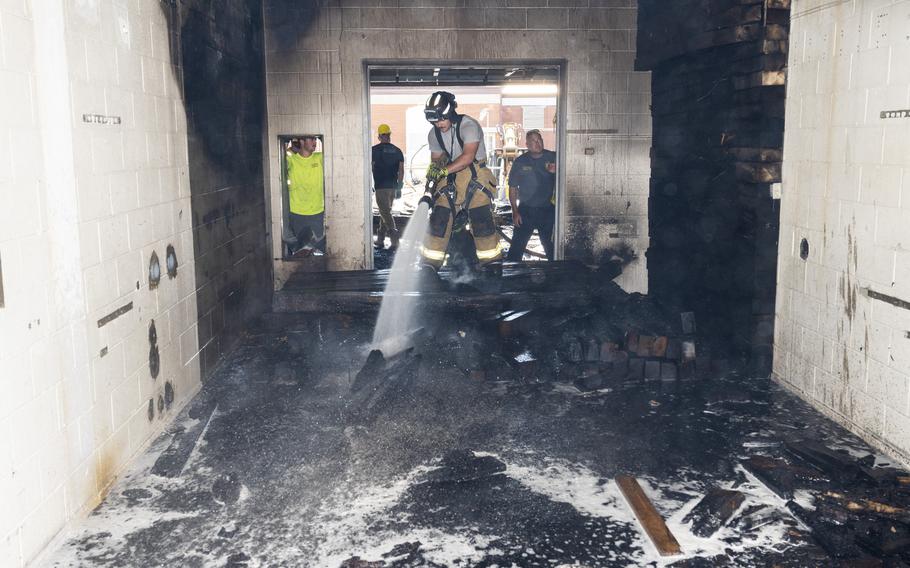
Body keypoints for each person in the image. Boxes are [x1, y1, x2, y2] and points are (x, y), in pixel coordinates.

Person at [420, 91, 501, 270]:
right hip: (451, 175)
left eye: (441, 119)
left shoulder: (468, 125)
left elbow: (467, 157)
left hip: (476, 175)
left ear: (450, 113)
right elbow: (437, 160)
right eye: (434, 121)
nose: (438, 124)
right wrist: (432, 179)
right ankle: (430, 265)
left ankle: (492, 265)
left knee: (481, 220)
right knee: (439, 219)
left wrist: (442, 170)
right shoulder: (434, 134)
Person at [506, 129, 556, 261]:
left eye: (539, 140)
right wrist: (515, 212)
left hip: (547, 210)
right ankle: (510, 276)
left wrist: (557, 172)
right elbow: (512, 188)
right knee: (516, 248)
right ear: (527, 144)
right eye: (533, 141)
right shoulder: (520, 162)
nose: (538, 143)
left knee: (551, 248)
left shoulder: (553, 157)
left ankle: (556, 277)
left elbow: (568, 177)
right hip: (525, 211)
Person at [287, 135, 325, 254]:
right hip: (297, 211)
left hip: (317, 210)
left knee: (320, 249)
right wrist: (291, 147)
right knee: (301, 251)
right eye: (311, 139)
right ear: (301, 141)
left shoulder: (320, 158)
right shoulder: (291, 160)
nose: (315, 142)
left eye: (316, 139)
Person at [371, 124, 404, 250]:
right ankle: (380, 239)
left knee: (385, 213)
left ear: (379, 136)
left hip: (380, 187)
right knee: (385, 212)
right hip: (393, 187)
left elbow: (371, 167)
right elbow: (401, 171)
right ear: (389, 135)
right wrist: (399, 187)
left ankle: (395, 240)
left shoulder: (373, 150)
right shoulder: (397, 150)